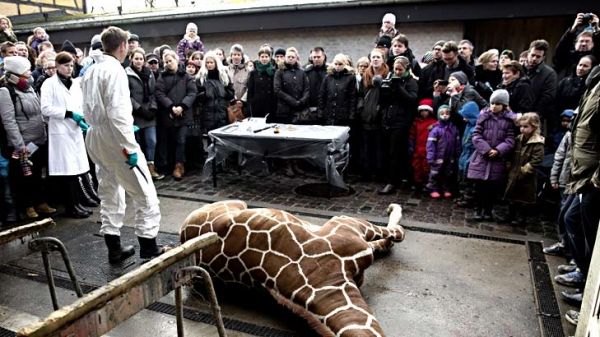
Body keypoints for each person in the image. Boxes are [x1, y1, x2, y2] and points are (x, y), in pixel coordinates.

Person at [81, 26, 167, 264]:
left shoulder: (91, 70)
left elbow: (87, 106)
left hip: (96, 136)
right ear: (122, 46)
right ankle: (149, 246)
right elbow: (118, 112)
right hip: (115, 138)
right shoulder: (115, 71)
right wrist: (129, 146)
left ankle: (114, 247)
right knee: (146, 194)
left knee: (109, 190)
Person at [554, 66, 600, 321]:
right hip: (582, 172)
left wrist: (596, 180)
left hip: (592, 177)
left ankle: (587, 287)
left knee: (578, 223)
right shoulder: (593, 82)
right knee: (571, 219)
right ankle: (583, 273)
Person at [0, 56, 55, 219]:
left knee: (37, 174)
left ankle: (40, 202)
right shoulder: (6, 91)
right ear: (17, 71)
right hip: (22, 142)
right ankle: (27, 205)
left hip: (37, 139)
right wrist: (19, 144)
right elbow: (9, 121)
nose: (30, 71)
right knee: (23, 176)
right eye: (26, 69)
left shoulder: (28, 87)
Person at [40, 51, 94, 218]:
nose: (69, 68)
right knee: (67, 171)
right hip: (61, 132)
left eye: (71, 65)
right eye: (65, 65)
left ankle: (78, 203)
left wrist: (83, 118)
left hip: (75, 130)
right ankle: (71, 207)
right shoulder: (49, 84)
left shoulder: (75, 84)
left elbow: (81, 104)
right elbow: (46, 108)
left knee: (77, 169)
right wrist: (69, 114)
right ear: (57, 66)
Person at [467, 89, 515, 222]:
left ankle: (488, 210)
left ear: (504, 105)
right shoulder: (483, 117)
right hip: (482, 157)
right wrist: (486, 149)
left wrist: (499, 150)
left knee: (492, 189)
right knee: (479, 188)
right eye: (492, 103)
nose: (494, 106)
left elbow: (510, 140)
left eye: (498, 104)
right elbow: (476, 135)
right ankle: (478, 209)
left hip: (497, 160)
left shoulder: (508, 121)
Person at [155, 50, 197, 180]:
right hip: (168, 115)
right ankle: (168, 165)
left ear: (176, 60)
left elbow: (192, 93)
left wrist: (182, 106)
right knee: (168, 141)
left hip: (184, 115)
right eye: (166, 62)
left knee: (181, 140)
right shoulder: (162, 77)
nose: (168, 64)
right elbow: (159, 93)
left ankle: (179, 165)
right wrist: (171, 107)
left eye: (170, 61)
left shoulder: (186, 76)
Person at [378, 56, 418, 194]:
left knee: (396, 152)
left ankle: (393, 182)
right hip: (388, 119)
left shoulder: (411, 82)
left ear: (407, 68)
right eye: (395, 69)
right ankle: (392, 178)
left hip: (401, 122)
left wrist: (399, 87)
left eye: (400, 69)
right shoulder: (390, 79)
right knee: (388, 152)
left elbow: (412, 100)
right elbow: (384, 101)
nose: (398, 72)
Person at [125, 48, 164, 181]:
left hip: (149, 114)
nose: (139, 61)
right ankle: (139, 170)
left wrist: (153, 109)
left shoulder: (150, 74)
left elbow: (153, 92)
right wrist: (139, 108)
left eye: (141, 59)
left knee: (151, 141)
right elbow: (127, 95)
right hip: (135, 113)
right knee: (137, 142)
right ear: (131, 59)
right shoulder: (126, 74)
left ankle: (151, 166)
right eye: (136, 58)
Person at [503, 113, 545, 225]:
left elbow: (537, 159)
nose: (522, 129)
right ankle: (510, 214)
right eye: (521, 126)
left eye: (526, 126)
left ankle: (520, 217)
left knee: (523, 197)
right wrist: (508, 164)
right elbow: (511, 152)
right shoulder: (518, 139)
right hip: (514, 170)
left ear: (534, 127)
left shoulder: (537, 142)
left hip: (527, 175)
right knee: (512, 194)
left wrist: (525, 170)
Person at [356, 48, 388, 181]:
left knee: (379, 147)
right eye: (373, 57)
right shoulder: (366, 75)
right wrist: (361, 107)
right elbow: (361, 95)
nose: (375, 59)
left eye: (378, 57)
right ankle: (366, 172)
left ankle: (379, 172)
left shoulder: (388, 75)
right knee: (366, 146)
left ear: (383, 60)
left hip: (380, 117)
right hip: (366, 116)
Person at [425, 105, 461, 199]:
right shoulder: (435, 129)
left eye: (447, 113)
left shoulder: (454, 128)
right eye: (442, 114)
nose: (445, 115)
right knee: (435, 173)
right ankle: (433, 188)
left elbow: (457, 142)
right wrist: (430, 156)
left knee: (448, 173)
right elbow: (430, 145)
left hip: (450, 156)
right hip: (438, 156)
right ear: (438, 115)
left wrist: (457, 154)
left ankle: (446, 188)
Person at [553, 13, 600, 80]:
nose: (583, 44)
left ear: (593, 44)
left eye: (587, 41)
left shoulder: (595, 58)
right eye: (581, 41)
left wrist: (596, 29)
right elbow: (560, 51)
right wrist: (572, 29)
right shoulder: (567, 57)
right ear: (575, 44)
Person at [318, 53, 357, 126]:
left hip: (343, 115)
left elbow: (353, 98)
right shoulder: (328, 77)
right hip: (329, 113)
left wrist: (351, 115)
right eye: (336, 64)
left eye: (340, 64)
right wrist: (321, 113)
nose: (337, 66)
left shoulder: (350, 78)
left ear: (344, 65)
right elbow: (322, 96)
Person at [409, 98, 437, 194]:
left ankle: (427, 184)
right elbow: (412, 134)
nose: (424, 113)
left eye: (426, 111)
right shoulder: (416, 122)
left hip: (427, 149)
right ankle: (418, 184)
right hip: (418, 148)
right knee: (417, 167)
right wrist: (411, 145)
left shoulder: (433, 123)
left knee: (426, 168)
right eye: (422, 111)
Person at [455, 101, 480, 207]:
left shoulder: (475, 129)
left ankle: (468, 198)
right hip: (464, 154)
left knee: (469, 181)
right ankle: (462, 196)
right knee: (462, 179)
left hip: (470, 157)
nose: (463, 119)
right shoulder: (468, 126)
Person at [247, 46, 277, 118]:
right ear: (259, 57)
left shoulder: (274, 72)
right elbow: (250, 91)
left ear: (270, 58)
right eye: (262, 56)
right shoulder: (253, 73)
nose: (264, 59)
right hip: (257, 105)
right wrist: (250, 104)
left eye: (266, 56)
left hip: (271, 104)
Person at [305, 47, 328, 124]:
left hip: (326, 109)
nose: (316, 59)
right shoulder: (306, 72)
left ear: (323, 57)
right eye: (314, 57)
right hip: (311, 109)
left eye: (318, 57)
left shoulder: (329, 72)